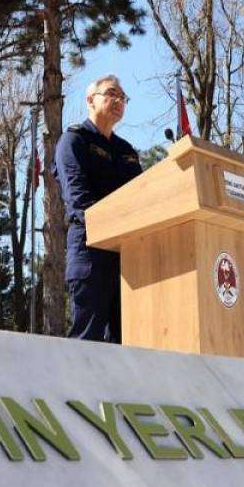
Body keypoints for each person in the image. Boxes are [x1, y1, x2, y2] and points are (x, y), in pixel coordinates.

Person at [54, 74, 142, 343]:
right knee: (87, 343)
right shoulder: (74, 141)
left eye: (123, 98)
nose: (119, 101)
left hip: (128, 258)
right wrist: (116, 229)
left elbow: (143, 196)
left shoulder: (126, 151)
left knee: (127, 344)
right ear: (90, 100)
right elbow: (79, 200)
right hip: (91, 253)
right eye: (112, 94)